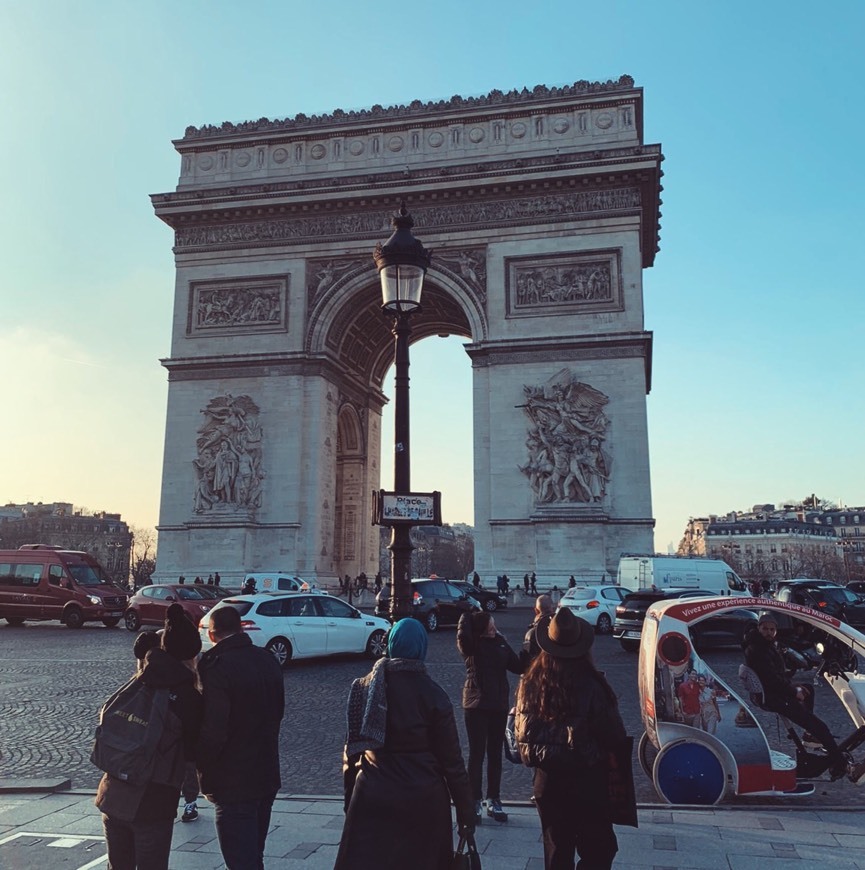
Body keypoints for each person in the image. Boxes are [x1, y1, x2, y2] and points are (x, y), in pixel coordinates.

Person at [334, 618, 474, 869]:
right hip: (423, 798)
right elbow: (452, 762)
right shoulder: (434, 694)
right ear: (421, 648)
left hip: (372, 794)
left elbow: (352, 752)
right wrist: (465, 810)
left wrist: (350, 798)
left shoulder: (365, 687)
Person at [515, 607, 630, 869]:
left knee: (557, 852)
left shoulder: (529, 683)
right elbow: (614, 735)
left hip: (547, 781)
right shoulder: (592, 685)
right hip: (587, 779)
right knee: (599, 848)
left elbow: (523, 736)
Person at [95, 605, 203, 870]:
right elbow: (193, 756)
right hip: (152, 801)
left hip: (113, 793)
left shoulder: (140, 679)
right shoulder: (190, 698)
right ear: (192, 655)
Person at [197, 604, 285, 869]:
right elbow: (278, 712)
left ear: (212, 635)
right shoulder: (268, 659)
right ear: (241, 628)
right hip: (266, 773)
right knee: (253, 855)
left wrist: (201, 766)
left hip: (232, 780)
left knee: (240, 861)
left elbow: (215, 729)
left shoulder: (215, 667)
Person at [743, 612, 847, 778]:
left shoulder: (763, 645)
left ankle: (809, 734)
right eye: (765, 629)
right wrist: (793, 691)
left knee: (808, 689)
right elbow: (771, 680)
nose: (769, 632)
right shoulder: (758, 650)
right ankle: (840, 763)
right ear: (759, 628)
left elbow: (776, 676)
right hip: (775, 698)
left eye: (772, 629)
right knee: (821, 727)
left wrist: (794, 686)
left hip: (774, 692)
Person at [457, 610, 523, 823]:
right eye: (490, 627)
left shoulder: (501, 642)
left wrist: (532, 648)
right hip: (476, 704)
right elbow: (463, 634)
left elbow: (518, 665)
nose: (494, 629)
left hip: (498, 705)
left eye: (494, 626)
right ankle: (474, 801)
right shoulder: (471, 646)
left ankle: (493, 799)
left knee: (495, 754)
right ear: (481, 629)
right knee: (476, 755)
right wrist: (467, 612)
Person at [522, 594, 555, 664]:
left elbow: (526, 662)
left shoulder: (531, 634)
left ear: (536, 610)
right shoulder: (560, 627)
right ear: (552, 608)